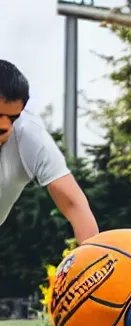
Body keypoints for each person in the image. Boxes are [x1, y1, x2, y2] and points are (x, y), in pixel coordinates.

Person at [0, 59, 99, 244]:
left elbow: (74, 204)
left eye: (13, 117)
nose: (5, 126)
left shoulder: (28, 134)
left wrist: (94, 262)